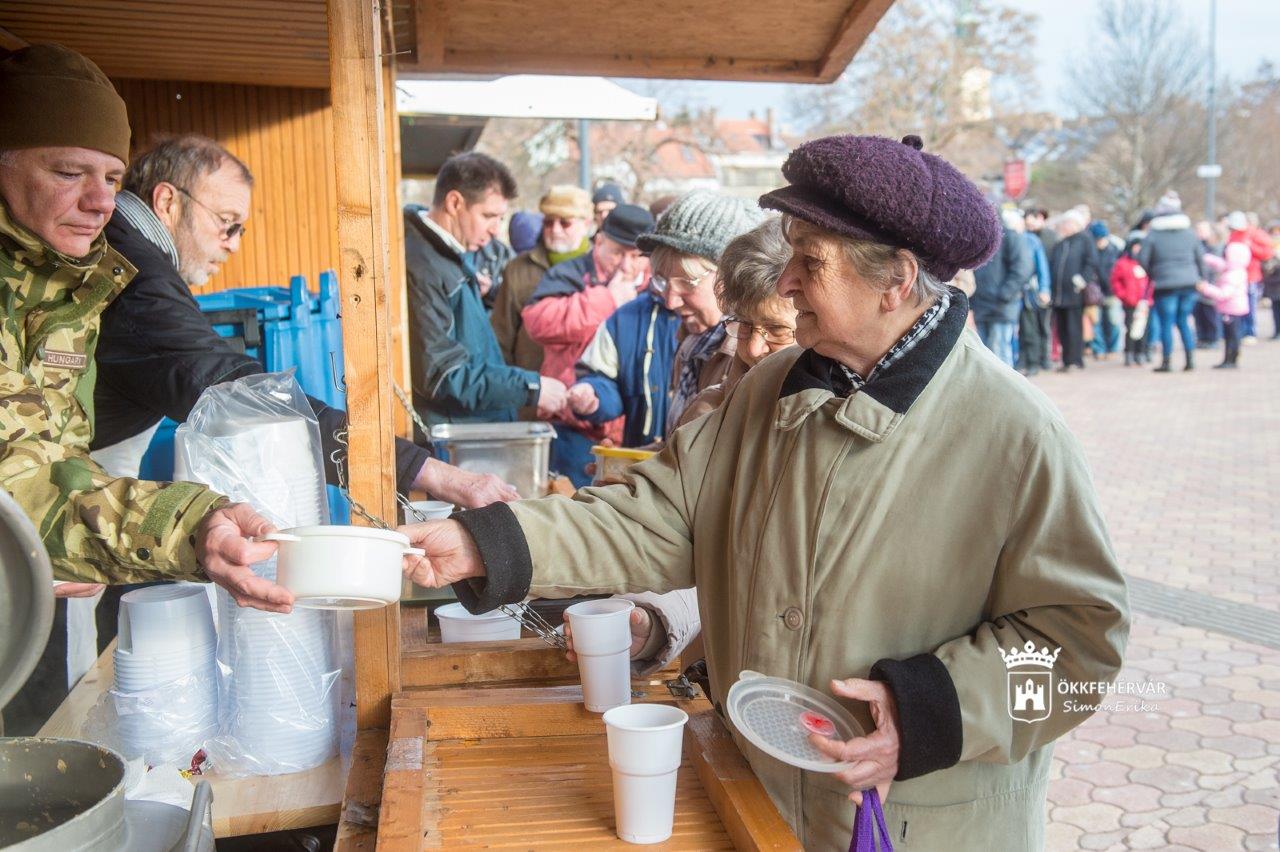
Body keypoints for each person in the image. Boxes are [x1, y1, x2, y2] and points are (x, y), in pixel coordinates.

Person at [399, 133, 1128, 850]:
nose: (784, 283)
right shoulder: (772, 389)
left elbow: (1080, 651)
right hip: (762, 800)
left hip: (921, 827)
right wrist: (481, 540)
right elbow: (654, 517)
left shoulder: (1016, 432)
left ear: (896, 281)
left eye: (809, 262)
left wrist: (929, 713)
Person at [0, 44, 284, 607]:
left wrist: (196, 530)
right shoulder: (114, 277)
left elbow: (37, 469)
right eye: (68, 172)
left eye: (110, 177)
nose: (100, 202)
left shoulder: (73, 281)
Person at [92, 135, 516, 508]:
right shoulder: (137, 275)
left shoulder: (131, 253)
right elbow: (238, 394)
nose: (234, 245)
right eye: (227, 224)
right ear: (167, 202)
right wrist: (429, 472)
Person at [590, 217, 797, 680]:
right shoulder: (714, 407)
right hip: (722, 668)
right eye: (743, 327)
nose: (756, 348)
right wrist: (651, 618)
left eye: (777, 331)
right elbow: (696, 542)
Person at [566, 191, 764, 443]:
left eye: (687, 283)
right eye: (661, 281)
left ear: (733, 279)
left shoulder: (759, 355)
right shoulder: (690, 346)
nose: (671, 300)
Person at [404, 152, 566, 429]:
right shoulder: (423, 266)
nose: (495, 230)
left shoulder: (450, 252)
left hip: (472, 427)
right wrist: (530, 387)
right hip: (452, 436)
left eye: (500, 218)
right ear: (454, 203)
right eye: (488, 216)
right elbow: (442, 375)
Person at [522, 204, 654, 484]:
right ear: (600, 241)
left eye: (636, 256)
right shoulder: (569, 273)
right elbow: (537, 321)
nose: (626, 266)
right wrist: (606, 300)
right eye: (617, 253)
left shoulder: (657, 286)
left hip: (632, 432)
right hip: (573, 424)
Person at [490, 185, 593, 377]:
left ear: (586, 224)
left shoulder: (602, 268)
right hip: (531, 391)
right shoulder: (518, 268)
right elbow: (501, 336)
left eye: (565, 223)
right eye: (548, 222)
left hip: (587, 393)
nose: (555, 230)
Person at [1139, 194, 1206, 372]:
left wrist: (1154, 274)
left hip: (1165, 284)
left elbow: (1143, 259)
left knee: (1166, 323)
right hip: (1188, 283)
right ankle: (1190, 359)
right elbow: (1200, 258)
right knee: (1183, 321)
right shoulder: (1189, 233)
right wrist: (1201, 278)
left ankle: (1167, 361)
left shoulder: (1154, 234)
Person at [971, 208, 1033, 367]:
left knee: (999, 351)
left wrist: (1004, 294)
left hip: (1001, 305)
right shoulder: (979, 239)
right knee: (986, 353)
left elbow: (1023, 268)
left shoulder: (1011, 237)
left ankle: (1005, 391)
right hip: (982, 304)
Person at [1048, 210, 1100, 372]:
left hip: (1074, 292)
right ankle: (1067, 360)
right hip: (1058, 293)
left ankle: (1075, 359)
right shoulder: (1061, 243)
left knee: (1074, 327)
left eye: (1066, 223)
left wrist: (1082, 281)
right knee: (1062, 328)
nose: (1063, 226)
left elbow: (1091, 262)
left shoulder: (1084, 239)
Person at [1197, 242, 1251, 369]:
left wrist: (1205, 288)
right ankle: (1230, 358)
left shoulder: (1232, 275)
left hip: (1231, 309)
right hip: (1233, 308)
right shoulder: (1236, 269)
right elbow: (1219, 263)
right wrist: (1204, 256)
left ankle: (1231, 359)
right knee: (1231, 335)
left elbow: (1223, 294)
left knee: (1231, 336)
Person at [1225, 210, 1274, 344]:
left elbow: (1267, 252)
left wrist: (1251, 246)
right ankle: (1238, 330)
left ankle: (1249, 331)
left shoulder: (1254, 234)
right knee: (1235, 305)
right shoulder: (1233, 235)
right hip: (1236, 274)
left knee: (1249, 304)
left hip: (1251, 274)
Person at [1018, 214, 1052, 376]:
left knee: (1031, 328)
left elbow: (1042, 267)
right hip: (1015, 293)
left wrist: (1044, 289)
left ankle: (1034, 361)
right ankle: (1023, 360)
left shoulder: (1032, 241)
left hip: (1028, 293)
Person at [1110, 238, 1154, 366]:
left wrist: (1148, 298)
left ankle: (1140, 353)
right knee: (1130, 328)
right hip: (1129, 302)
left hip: (1144, 302)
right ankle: (1129, 353)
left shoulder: (1146, 263)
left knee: (1143, 329)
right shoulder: (1122, 263)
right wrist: (1124, 296)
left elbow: (1151, 282)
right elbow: (1115, 282)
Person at [1089, 221, 1122, 358]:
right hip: (1095, 292)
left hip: (1112, 292)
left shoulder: (1115, 250)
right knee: (1096, 322)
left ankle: (1113, 348)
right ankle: (1099, 349)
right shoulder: (1090, 251)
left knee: (1114, 322)